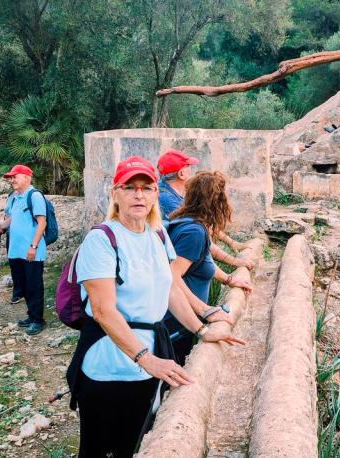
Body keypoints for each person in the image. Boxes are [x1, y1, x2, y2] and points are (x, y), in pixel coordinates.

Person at [69, 156, 245, 457]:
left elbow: (170, 289)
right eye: (130, 187)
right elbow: (103, 311)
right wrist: (147, 359)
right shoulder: (102, 239)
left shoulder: (158, 235)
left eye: (146, 187)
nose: (139, 195)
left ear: (155, 193)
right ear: (115, 193)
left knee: (133, 444)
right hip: (108, 365)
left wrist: (202, 329)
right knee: (97, 450)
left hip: (146, 364)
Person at [166, 171, 253, 363]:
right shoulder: (194, 233)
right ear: (216, 201)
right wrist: (205, 310)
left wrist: (230, 279)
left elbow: (205, 262)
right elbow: (171, 276)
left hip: (182, 322)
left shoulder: (188, 223)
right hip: (177, 323)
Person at [156, 150, 255, 271]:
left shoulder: (172, 192)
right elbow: (199, 235)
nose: (191, 171)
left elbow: (203, 223)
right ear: (181, 174)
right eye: (188, 167)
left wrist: (232, 243)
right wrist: (234, 261)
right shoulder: (167, 200)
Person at [0, 165, 47, 336]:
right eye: (10, 178)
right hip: (15, 251)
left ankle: (38, 320)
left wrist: (33, 246)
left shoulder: (35, 196)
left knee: (34, 285)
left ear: (27, 177)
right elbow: (11, 218)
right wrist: (1, 226)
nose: (11, 180)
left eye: (14, 177)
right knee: (23, 286)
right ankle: (31, 315)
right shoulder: (15, 197)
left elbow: (42, 222)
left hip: (31, 251)